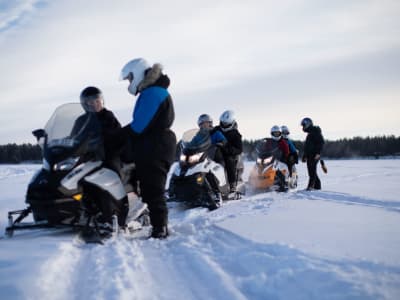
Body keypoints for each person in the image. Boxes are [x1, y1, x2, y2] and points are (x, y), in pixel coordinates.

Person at [120, 58, 176, 239]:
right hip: (152, 144)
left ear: (137, 73)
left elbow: (138, 126)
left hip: (156, 145)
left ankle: (161, 228)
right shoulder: (153, 91)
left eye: (130, 78)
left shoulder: (153, 93)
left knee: (153, 188)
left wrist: (116, 135)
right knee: (143, 184)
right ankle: (142, 216)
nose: (129, 83)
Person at [212, 110, 243, 194]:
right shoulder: (216, 129)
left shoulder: (236, 134)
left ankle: (232, 185)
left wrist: (226, 147)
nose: (224, 125)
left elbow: (239, 149)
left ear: (232, 123)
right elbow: (208, 134)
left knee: (229, 160)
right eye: (223, 123)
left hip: (229, 154)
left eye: (227, 124)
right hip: (214, 151)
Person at [300, 117, 325, 190]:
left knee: (312, 171)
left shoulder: (315, 131)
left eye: (304, 125)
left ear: (308, 124)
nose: (303, 127)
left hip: (315, 155)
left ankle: (310, 187)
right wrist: (304, 156)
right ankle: (317, 187)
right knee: (311, 171)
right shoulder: (310, 133)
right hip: (310, 155)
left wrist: (318, 153)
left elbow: (321, 143)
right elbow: (307, 147)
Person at [270, 125, 290, 191]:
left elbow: (286, 151)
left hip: (281, 159)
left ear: (280, 134)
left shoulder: (282, 142)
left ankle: (282, 184)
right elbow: (265, 148)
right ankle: (254, 181)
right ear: (272, 134)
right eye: (275, 133)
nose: (276, 135)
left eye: (277, 133)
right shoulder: (270, 142)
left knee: (275, 168)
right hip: (271, 159)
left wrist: (283, 156)